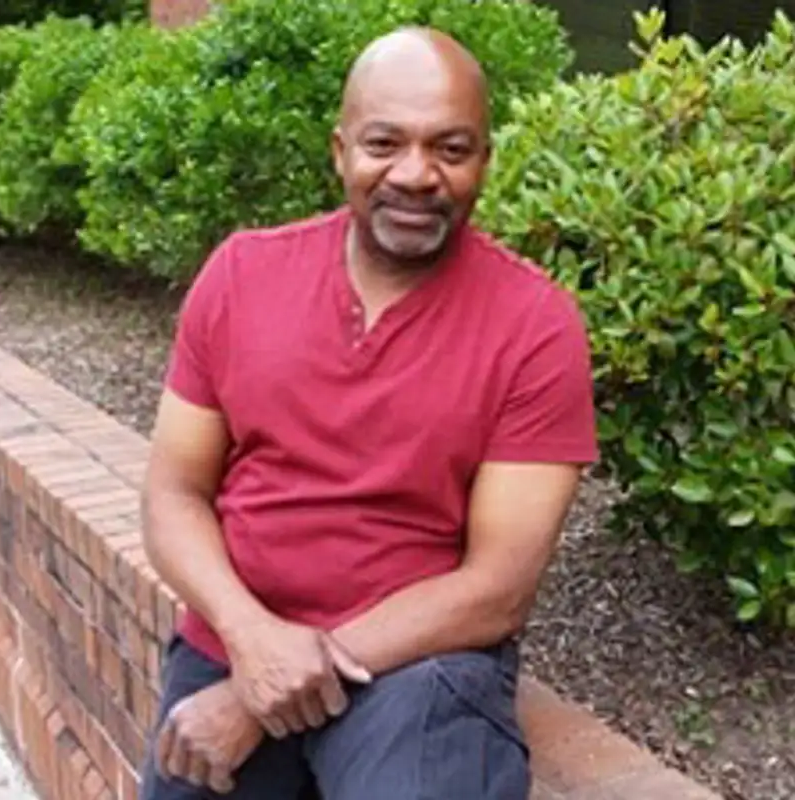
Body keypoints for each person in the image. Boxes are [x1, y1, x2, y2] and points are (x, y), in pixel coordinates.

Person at [139, 25, 598, 800]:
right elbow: (173, 493)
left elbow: (498, 588)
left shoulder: (535, 326)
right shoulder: (242, 274)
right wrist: (251, 644)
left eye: (451, 149)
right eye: (385, 143)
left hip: (417, 667)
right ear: (340, 151)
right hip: (237, 638)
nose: (416, 174)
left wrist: (273, 685)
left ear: (484, 161)